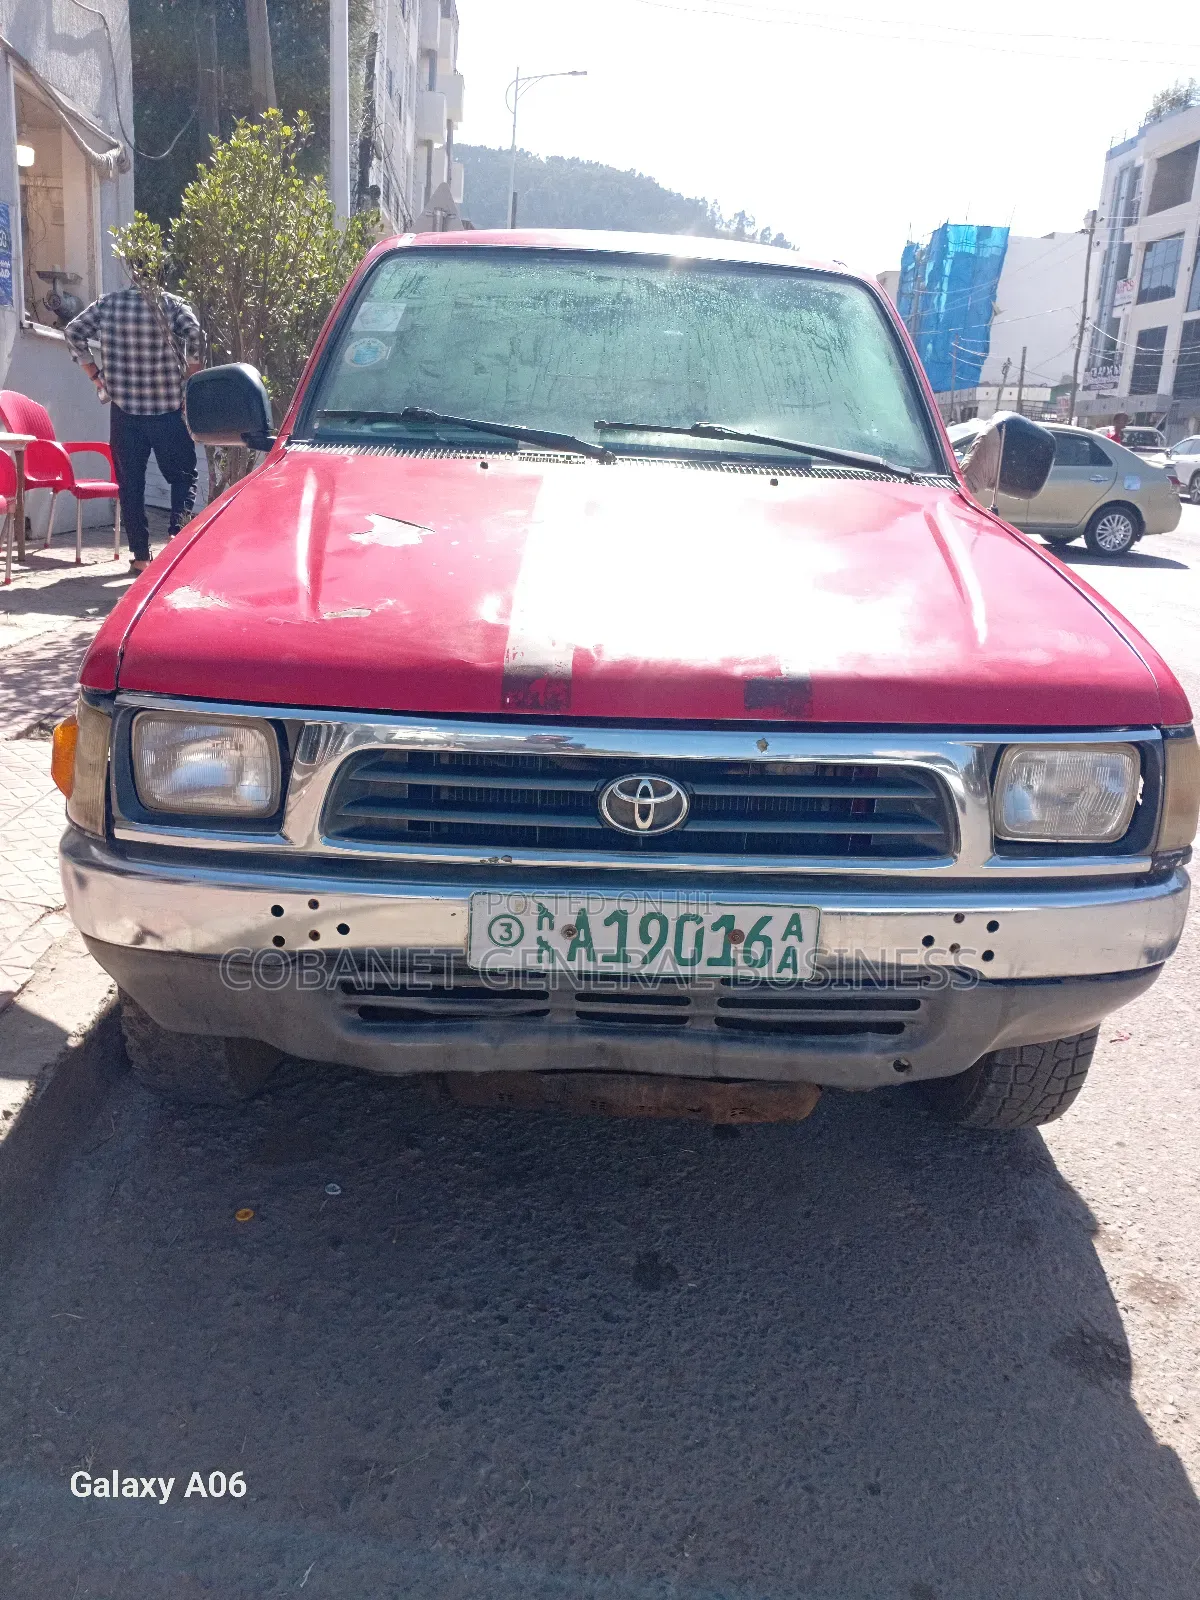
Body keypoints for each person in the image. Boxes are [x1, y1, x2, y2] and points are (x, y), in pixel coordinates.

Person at [64, 282, 203, 574]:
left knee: (131, 484)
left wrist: (95, 375)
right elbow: (194, 333)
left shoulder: (108, 304)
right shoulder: (172, 304)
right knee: (183, 476)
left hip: (125, 410)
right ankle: (176, 540)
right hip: (168, 409)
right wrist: (190, 375)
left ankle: (141, 557)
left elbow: (74, 331)